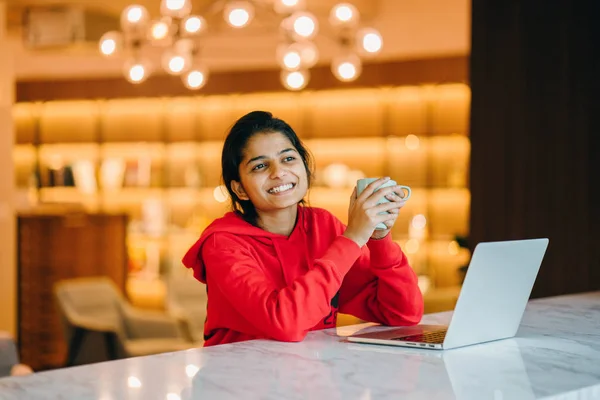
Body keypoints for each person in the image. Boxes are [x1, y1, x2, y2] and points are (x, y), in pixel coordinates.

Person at [182, 111, 424, 347]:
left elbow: (402, 314)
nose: (279, 173)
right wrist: (353, 238)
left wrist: (378, 238)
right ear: (240, 189)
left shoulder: (323, 226)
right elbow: (285, 323)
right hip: (239, 380)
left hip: (311, 376)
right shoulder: (222, 244)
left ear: (305, 168)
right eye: (259, 166)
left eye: (288, 158)